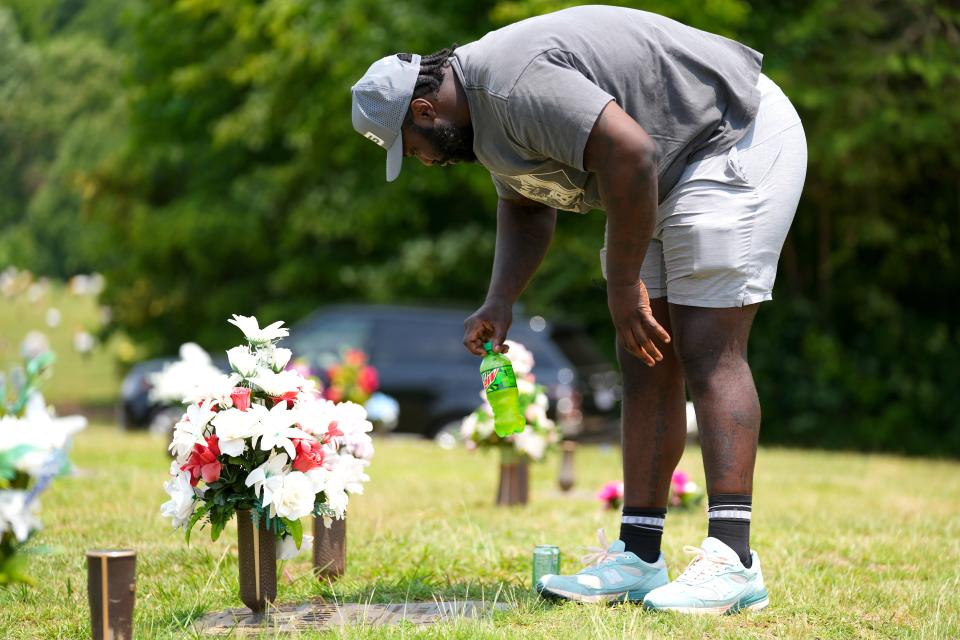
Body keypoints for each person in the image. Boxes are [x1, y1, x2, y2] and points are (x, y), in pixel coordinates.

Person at [351, 5, 806, 614]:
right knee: (644, 355)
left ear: (424, 111)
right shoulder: (485, 122)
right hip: (663, 170)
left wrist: (622, 286)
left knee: (704, 346)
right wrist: (499, 300)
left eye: (411, 150)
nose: (424, 163)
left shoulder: (512, 85)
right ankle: (639, 555)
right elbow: (527, 206)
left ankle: (734, 559)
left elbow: (631, 153)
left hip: (730, 133)